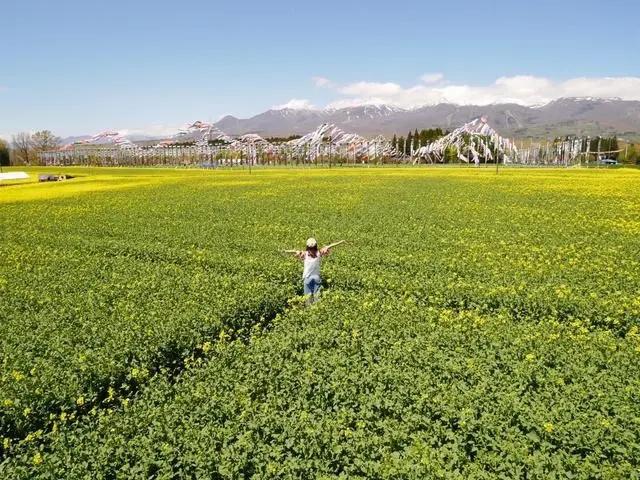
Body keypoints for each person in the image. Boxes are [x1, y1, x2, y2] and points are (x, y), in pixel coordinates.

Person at [295, 238, 329, 304]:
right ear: (316, 246)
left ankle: (308, 311)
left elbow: (297, 256)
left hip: (307, 278)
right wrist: (326, 248)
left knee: (308, 298)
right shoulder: (318, 253)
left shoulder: (305, 254)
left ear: (307, 247)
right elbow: (326, 253)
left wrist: (297, 252)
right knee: (317, 298)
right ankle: (316, 311)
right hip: (316, 278)